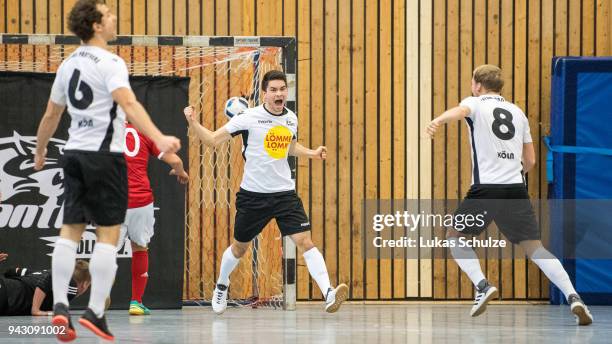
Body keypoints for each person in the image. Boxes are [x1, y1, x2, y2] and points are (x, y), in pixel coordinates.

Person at [34, 0, 180, 341]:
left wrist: (41, 149)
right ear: (97, 25)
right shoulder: (111, 62)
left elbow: (51, 114)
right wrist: (159, 138)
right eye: (109, 14)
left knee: (70, 231)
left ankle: (58, 306)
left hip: (72, 154)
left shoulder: (68, 65)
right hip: (104, 156)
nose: (114, 18)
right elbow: (129, 103)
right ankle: (96, 312)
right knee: (108, 236)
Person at [426, 64, 593, 325]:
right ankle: (574, 297)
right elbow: (531, 161)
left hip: (486, 189)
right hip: (516, 189)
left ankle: (482, 286)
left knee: (453, 235)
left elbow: (461, 111)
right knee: (535, 249)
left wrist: (438, 120)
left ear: (478, 85)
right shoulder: (518, 112)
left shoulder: (476, 103)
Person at [185, 70, 348, 314]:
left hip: (284, 194)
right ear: (264, 94)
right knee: (239, 248)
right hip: (253, 196)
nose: (279, 93)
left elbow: (289, 146)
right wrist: (193, 122)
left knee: (305, 241)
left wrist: (312, 153)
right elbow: (211, 140)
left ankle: (328, 293)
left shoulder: (291, 118)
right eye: (273, 90)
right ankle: (222, 284)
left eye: (282, 89)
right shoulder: (248, 118)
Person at [120, 121, 189, 316]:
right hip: (141, 201)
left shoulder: (103, 132)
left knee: (105, 251)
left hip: (114, 199)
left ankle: (96, 302)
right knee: (140, 248)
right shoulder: (143, 132)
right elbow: (175, 161)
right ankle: (136, 302)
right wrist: (181, 173)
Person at [0, 261, 90, 316]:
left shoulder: (38, 273)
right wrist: (36, 310)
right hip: (6, 296)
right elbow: (50, 277)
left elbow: (12, 271)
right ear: (85, 284)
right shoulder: (72, 287)